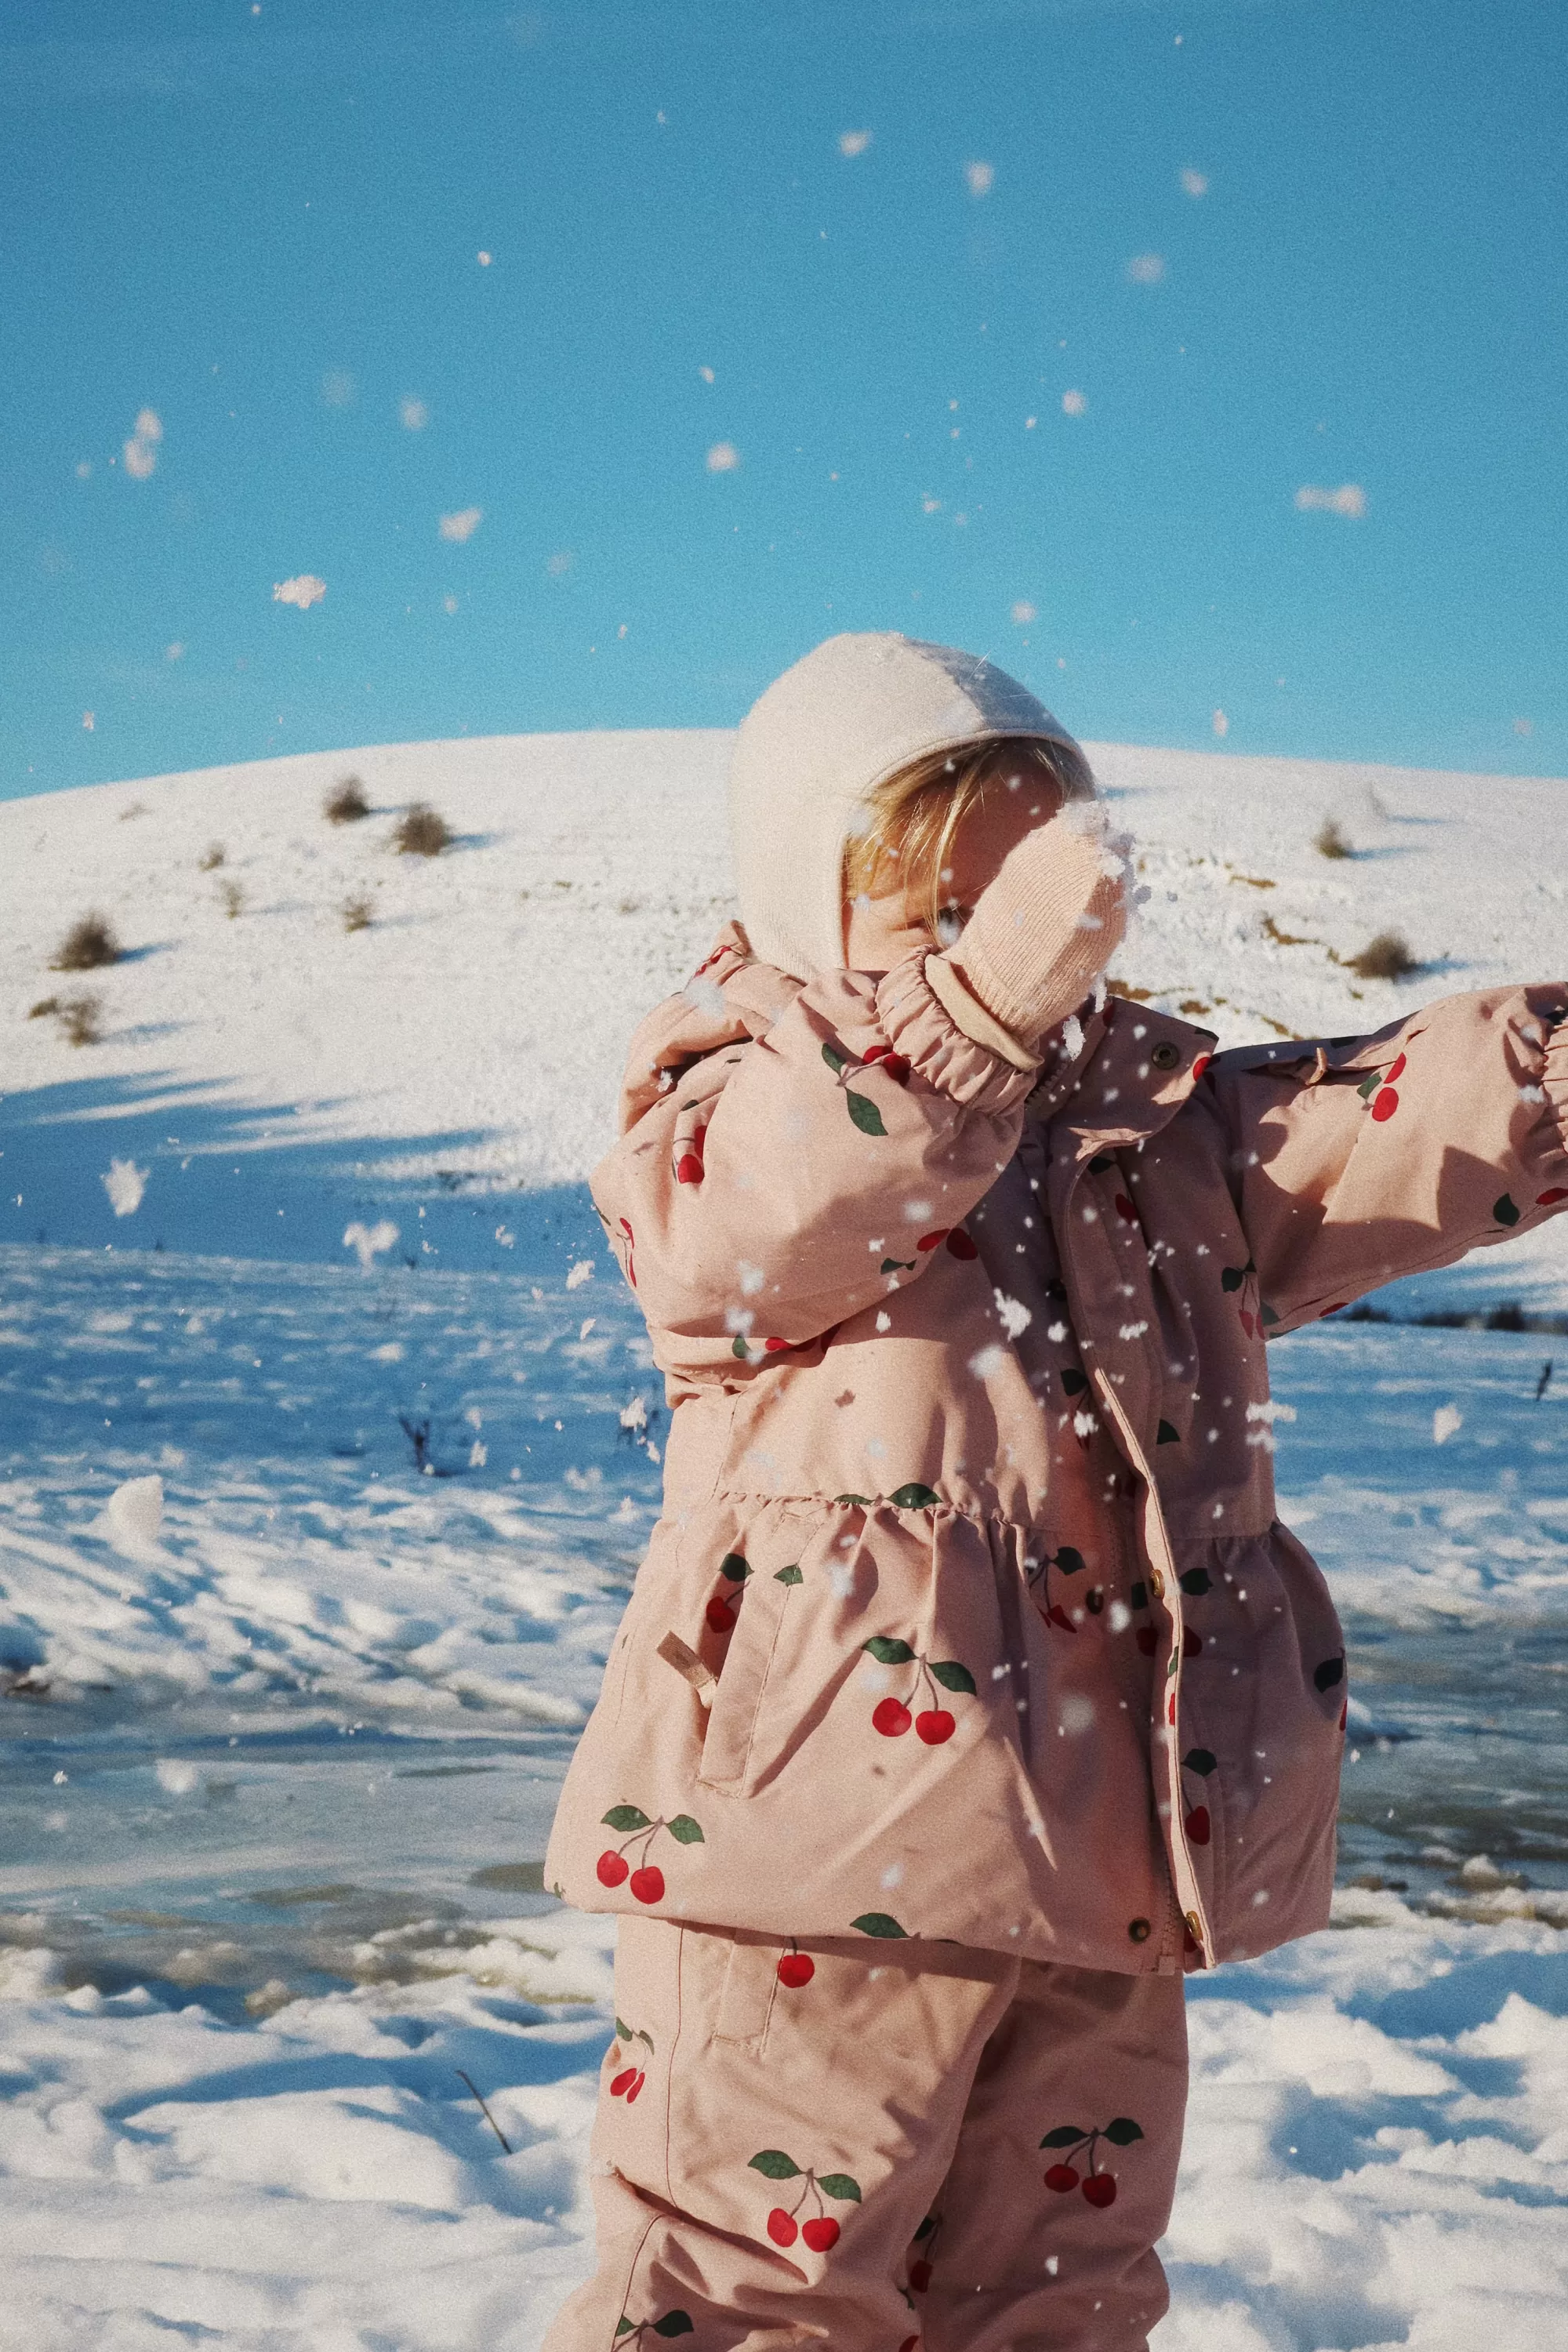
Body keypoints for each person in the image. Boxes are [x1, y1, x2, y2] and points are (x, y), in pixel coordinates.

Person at [543, 633, 1568, 2352]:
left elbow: (1393, 1118)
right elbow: (752, 1232)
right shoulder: (727, 1097)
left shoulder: (1156, 1133)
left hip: (1108, 1841)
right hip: (815, 1847)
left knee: (1059, 2303)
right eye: (939, 915)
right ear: (804, 902)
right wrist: (966, 1023)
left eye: (1039, 897)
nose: (1008, 953)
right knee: (743, 2293)